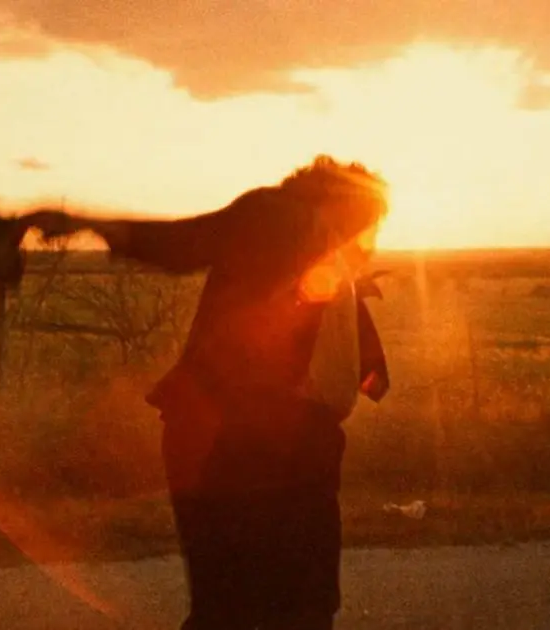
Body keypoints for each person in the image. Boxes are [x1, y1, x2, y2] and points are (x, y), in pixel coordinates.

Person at [80, 155, 392, 629]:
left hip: (278, 446)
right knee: (261, 609)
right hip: (235, 444)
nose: (369, 238)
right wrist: (90, 224)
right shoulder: (278, 215)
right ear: (341, 203)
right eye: (368, 221)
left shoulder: (320, 251)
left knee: (268, 607)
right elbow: (182, 245)